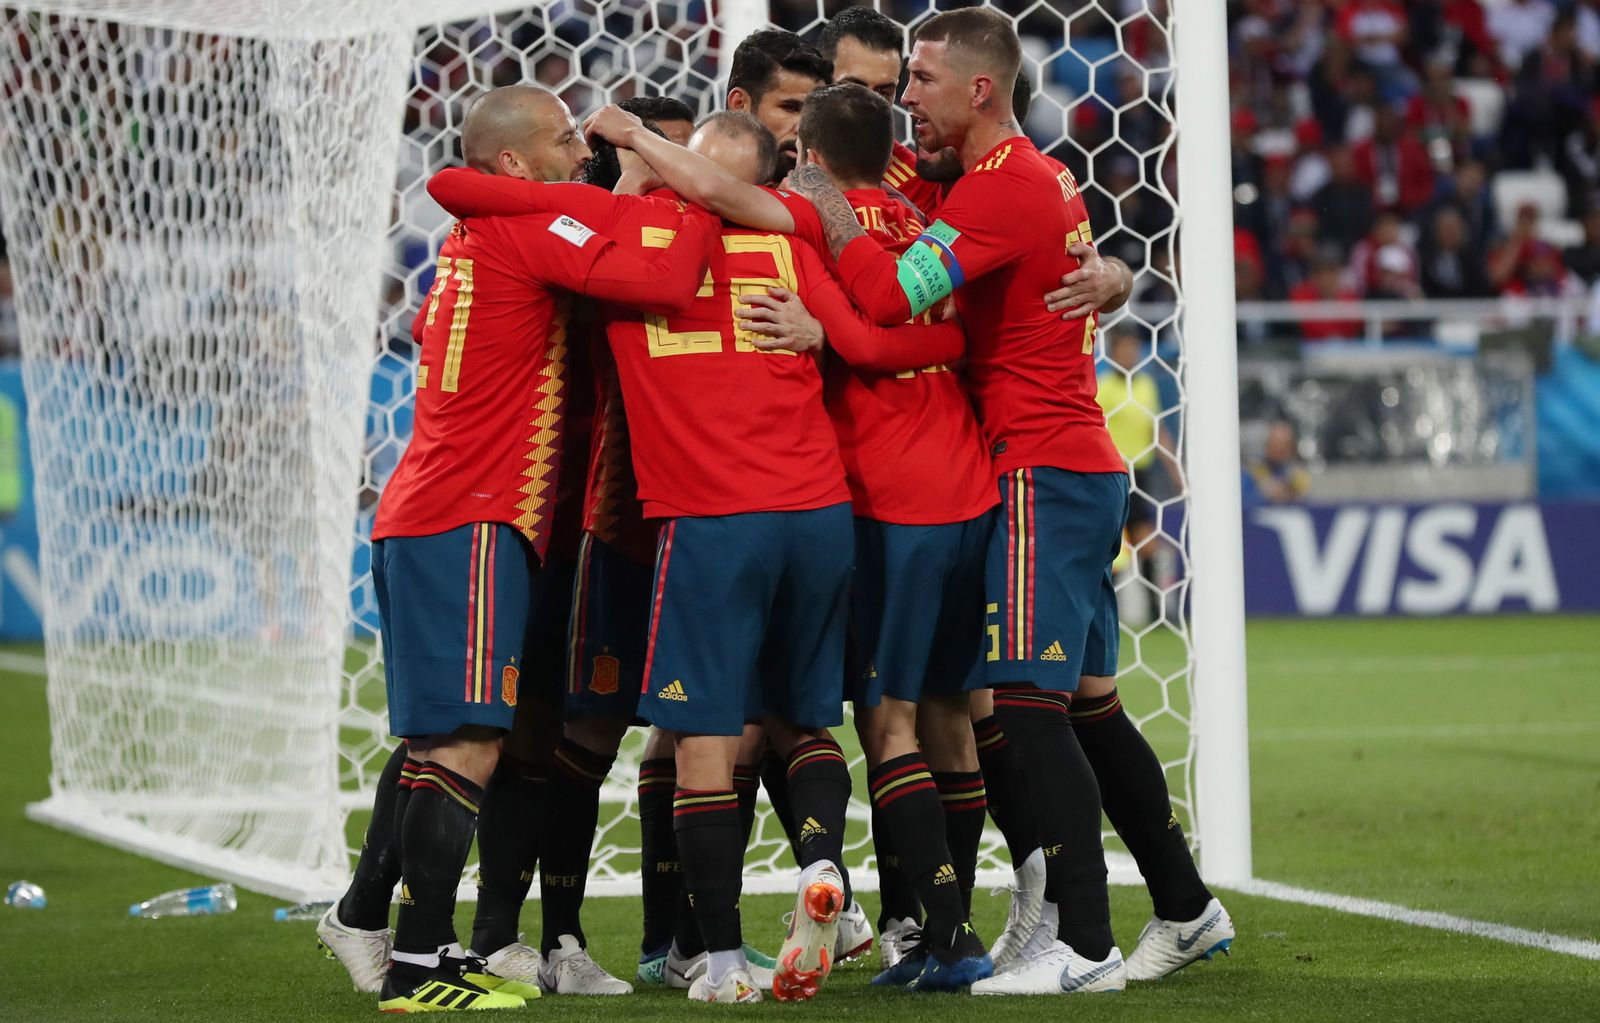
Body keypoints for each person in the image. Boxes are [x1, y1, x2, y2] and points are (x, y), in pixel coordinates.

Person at [429, 109, 966, 1005]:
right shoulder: (794, 241)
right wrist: (855, 336)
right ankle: (822, 868)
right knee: (804, 722)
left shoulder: (631, 233)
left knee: (691, 742)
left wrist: (631, 161)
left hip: (699, 522)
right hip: (819, 513)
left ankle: (707, 957)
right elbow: (878, 337)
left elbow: (467, 193)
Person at [785, 8, 1231, 994]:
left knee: (1028, 709)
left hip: (1038, 466)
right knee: (1089, 709)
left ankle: (1080, 945)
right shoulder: (1021, 177)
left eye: (919, 84)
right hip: (1064, 462)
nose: (906, 105)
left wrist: (825, 207)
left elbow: (897, 294)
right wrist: (1114, 269)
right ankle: (1188, 906)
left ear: (979, 88)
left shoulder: (1000, 188)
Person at [319, 84, 716, 1014]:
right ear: (512, 164)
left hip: (460, 513)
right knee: (465, 746)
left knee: (445, 742)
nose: (581, 151)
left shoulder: (484, 229)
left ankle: (372, 920)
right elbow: (662, 280)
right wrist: (698, 189)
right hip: (469, 514)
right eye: (563, 138)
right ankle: (420, 966)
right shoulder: (528, 228)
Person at [726, 29, 831, 180]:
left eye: (814, 114)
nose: (803, 128)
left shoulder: (837, 197)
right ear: (739, 104)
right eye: (790, 108)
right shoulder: (686, 194)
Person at [1248, 420, 1311, 504]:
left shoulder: (1297, 472)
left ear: (1290, 447)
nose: (1278, 449)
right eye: (1275, 445)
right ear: (1267, 445)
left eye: (1283, 445)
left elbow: (1304, 497)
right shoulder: (1255, 468)